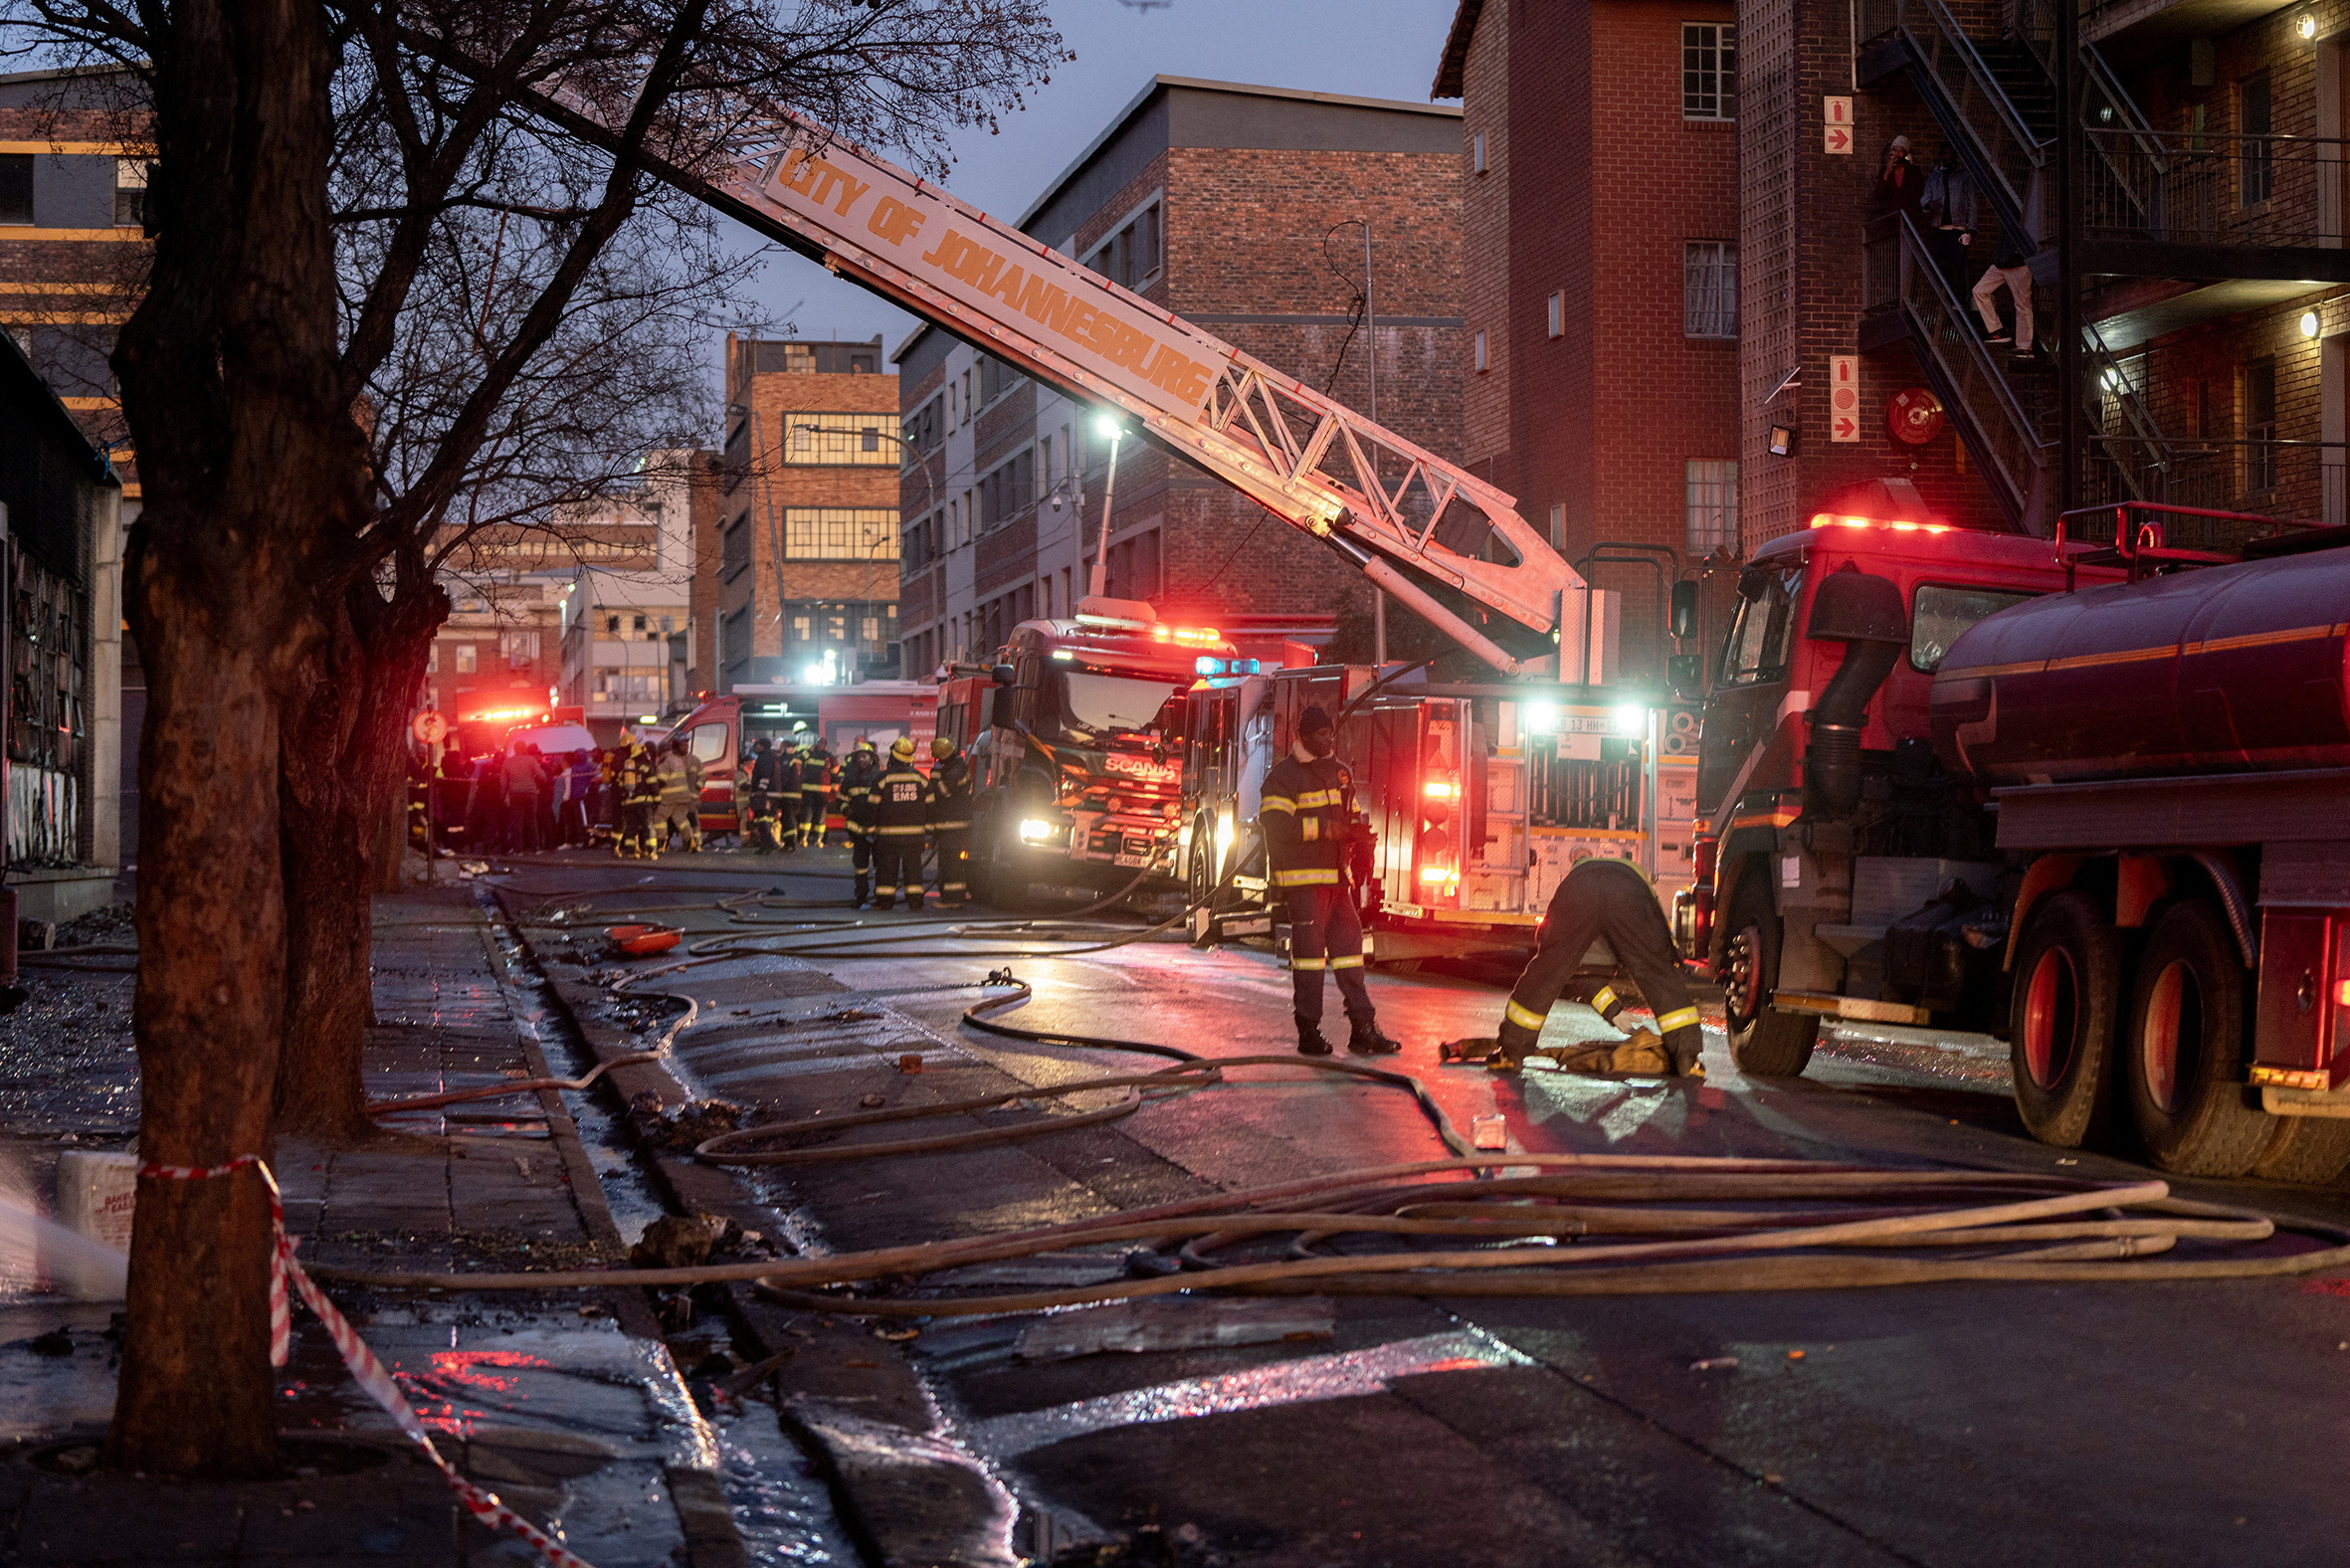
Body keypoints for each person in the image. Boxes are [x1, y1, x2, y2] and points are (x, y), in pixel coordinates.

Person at [1449, 857, 1705, 1078]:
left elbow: (1585, 975)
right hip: (1627, 889)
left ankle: (1510, 1054)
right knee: (1658, 972)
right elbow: (1657, 953)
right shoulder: (1635, 881)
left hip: (1578, 889)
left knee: (1548, 969)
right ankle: (1687, 1059)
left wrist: (1614, 1012)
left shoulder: (1578, 882)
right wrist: (1614, 1011)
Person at [1260, 705, 1399, 1057]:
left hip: (1337, 881)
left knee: (1351, 954)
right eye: (1322, 734)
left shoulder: (1340, 773)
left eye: (1331, 733)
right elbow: (1276, 825)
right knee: (1309, 960)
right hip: (1304, 882)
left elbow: (1351, 817)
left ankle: (1363, 1028)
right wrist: (1327, 830)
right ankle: (1308, 1031)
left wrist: (1361, 844)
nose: (1329, 739)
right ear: (1304, 736)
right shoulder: (1283, 777)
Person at [869, 737, 929, 911]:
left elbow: (873, 807)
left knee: (887, 870)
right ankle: (916, 903)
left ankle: (885, 902)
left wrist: (870, 830)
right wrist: (928, 830)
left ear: (893, 756)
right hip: (914, 836)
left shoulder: (883, 779)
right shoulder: (920, 779)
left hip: (888, 837)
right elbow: (931, 805)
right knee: (914, 870)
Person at [1971, 224, 2039, 361]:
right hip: (2001, 263)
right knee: (1979, 291)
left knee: (2022, 305)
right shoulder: (2010, 215)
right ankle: (1997, 331)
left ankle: (2025, 347)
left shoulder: (2027, 216)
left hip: (2018, 264)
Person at [1920, 146, 1976, 296]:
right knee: (1942, 266)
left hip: (1959, 228)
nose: (1948, 156)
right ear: (1940, 156)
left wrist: (1971, 229)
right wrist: (1929, 205)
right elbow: (1925, 199)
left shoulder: (1963, 176)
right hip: (1941, 228)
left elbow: (1972, 203)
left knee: (1959, 266)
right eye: (1945, 153)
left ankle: (1959, 300)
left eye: (1951, 154)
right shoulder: (1934, 177)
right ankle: (1947, 299)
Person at [925, 735, 973, 905]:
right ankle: (950, 896)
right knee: (948, 862)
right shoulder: (954, 766)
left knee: (950, 862)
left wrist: (935, 776)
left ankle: (953, 899)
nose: (937, 760)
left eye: (938, 758)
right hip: (949, 823)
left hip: (953, 824)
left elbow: (943, 791)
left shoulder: (955, 771)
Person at [839, 737, 882, 906]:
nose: (861, 759)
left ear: (872, 758)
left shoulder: (880, 777)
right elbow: (840, 799)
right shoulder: (850, 778)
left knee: (880, 865)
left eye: (865, 756)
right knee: (860, 866)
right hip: (858, 830)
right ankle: (861, 896)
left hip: (877, 830)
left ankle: (880, 897)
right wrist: (847, 810)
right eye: (859, 757)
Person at [615, 731, 662, 860]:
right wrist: (657, 799)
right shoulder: (646, 767)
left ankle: (630, 852)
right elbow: (653, 784)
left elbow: (620, 785)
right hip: (644, 803)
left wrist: (624, 799)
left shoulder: (627, 769)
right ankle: (651, 852)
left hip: (630, 803)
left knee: (631, 828)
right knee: (648, 827)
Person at [655, 735, 704, 854]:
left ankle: (660, 843)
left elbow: (661, 780)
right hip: (684, 797)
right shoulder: (678, 760)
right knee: (681, 819)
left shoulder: (664, 761)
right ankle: (690, 842)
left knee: (659, 818)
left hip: (669, 797)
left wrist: (653, 787)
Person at [499, 741, 549, 854]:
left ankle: (519, 850)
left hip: (515, 793)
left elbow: (503, 781)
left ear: (515, 749)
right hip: (530, 792)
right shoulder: (531, 760)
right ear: (524, 749)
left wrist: (502, 795)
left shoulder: (507, 762)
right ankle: (535, 848)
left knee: (517, 823)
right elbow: (541, 774)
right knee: (532, 821)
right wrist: (544, 780)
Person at [741, 738, 784, 853]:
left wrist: (760, 789)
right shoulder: (771, 757)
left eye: (758, 745)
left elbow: (765, 775)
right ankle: (765, 846)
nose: (756, 747)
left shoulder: (765, 757)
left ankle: (770, 843)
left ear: (762, 746)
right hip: (773, 793)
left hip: (766, 794)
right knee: (766, 820)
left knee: (761, 819)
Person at [1872, 134, 1925, 222]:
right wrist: (1886, 174)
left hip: (1908, 218)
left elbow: (1917, 195)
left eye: (1901, 151)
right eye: (1895, 150)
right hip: (1890, 218)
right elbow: (1879, 195)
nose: (1897, 154)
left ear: (1905, 154)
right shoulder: (1884, 171)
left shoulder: (1913, 171)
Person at [799, 737, 835, 848]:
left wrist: (833, 791)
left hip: (822, 793)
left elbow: (835, 774)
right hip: (808, 791)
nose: (821, 744)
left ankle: (819, 840)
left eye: (823, 743)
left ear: (825, 745)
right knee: (807, 816)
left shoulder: (829, 757)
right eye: (819, 742)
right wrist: (809, 750)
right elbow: (800, 759)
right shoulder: (809, 753)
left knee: (821, 818)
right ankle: (803, 839)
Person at [770, 737, 804, 852]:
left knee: (788, 819)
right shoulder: (797, 758)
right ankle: (789, 844)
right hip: (796, 793)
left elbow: (783, 776)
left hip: (788, 794)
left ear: (784, 747)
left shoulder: (787, 759)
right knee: (789, 818)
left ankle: (790, 844)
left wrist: (778, 789)